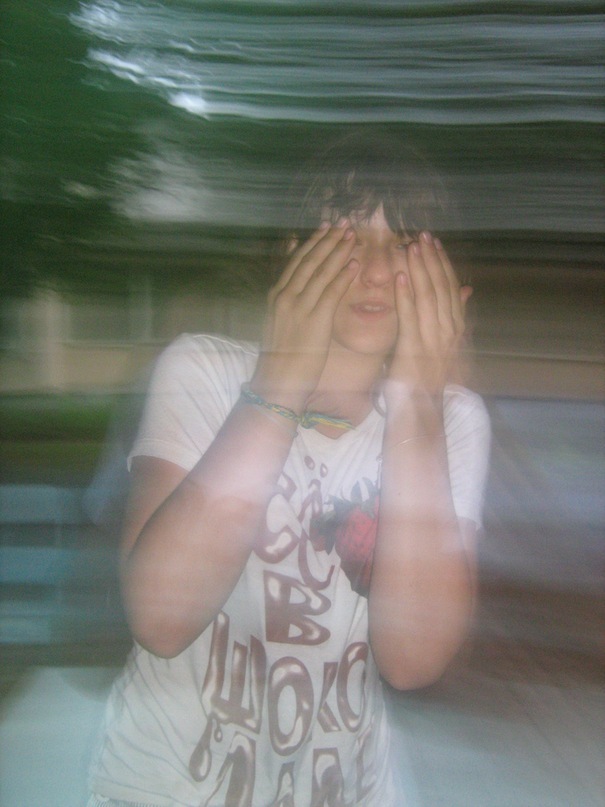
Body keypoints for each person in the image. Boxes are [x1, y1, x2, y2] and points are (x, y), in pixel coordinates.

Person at [87, 129, 491, 806]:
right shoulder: (203, 372)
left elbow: (413, 658)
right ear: (294, 252)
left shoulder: (452, 423)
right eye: (347, 233)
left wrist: (416, 401)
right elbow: (160, 620)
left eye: (402, 242)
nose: (373, 268)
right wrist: (278, 387)